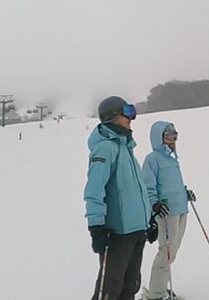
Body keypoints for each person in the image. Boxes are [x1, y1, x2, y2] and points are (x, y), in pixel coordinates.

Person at [84, 96, 157, 300]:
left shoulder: (126, 148)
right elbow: (94, 190)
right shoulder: (106, 148)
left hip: (136, 231)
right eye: (127, 111)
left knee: (131, 286)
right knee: (110, 288)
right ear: (112, 116)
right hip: (117, 234)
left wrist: (148, 220)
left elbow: (138, 190)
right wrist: (96, 227)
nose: (131, 118)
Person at [142, 121, 196, 300]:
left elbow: (172, 185)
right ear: (159, 138)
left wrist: (184, 193)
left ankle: (160, 288)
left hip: (181, 209)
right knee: (166, 252)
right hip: (167, 214)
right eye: (169, 136)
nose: (173, 141)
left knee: (172, 251)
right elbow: (147, 187)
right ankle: (156, 294)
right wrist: (154, 204)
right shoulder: (152, 159)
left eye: (175, 136)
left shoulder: (172, 159)